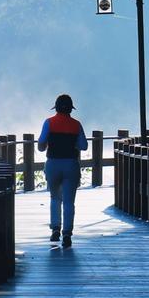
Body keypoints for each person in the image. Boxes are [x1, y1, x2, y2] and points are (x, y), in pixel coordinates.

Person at [37, 94, 87, 248]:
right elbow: (83, 146)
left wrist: (47, 144)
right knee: (69, 202)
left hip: (53, 163)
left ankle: (55, 230)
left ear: (56, 107)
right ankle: (67, 233)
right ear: (71, 109)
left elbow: (40, 145)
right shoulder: (76, 125)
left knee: (55, 198)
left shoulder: (49, 123)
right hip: (71, 164)